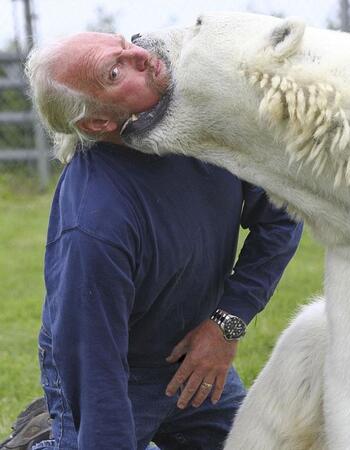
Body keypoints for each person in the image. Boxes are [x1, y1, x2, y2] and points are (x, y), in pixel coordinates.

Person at [2, 32, 302, 450]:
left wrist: (225, 324)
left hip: (196, 355)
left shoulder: (209, 132)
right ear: (97, 123)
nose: (139, 56)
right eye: (114, 70)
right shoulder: (95, 221)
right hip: (115, 370)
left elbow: (282, 216)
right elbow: (95, 366)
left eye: (124, 45)